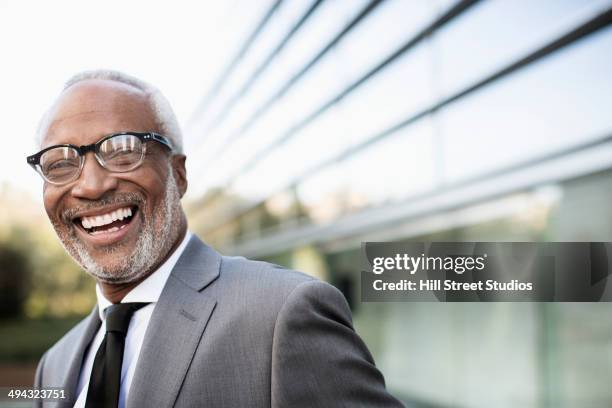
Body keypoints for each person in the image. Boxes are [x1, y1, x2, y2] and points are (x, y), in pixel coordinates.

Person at [30, 70, 403, 408]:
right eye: (60, 164)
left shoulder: (282, 314)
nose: (92, 186)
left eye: (124, 152)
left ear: (178, 174)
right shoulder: (54, 365)